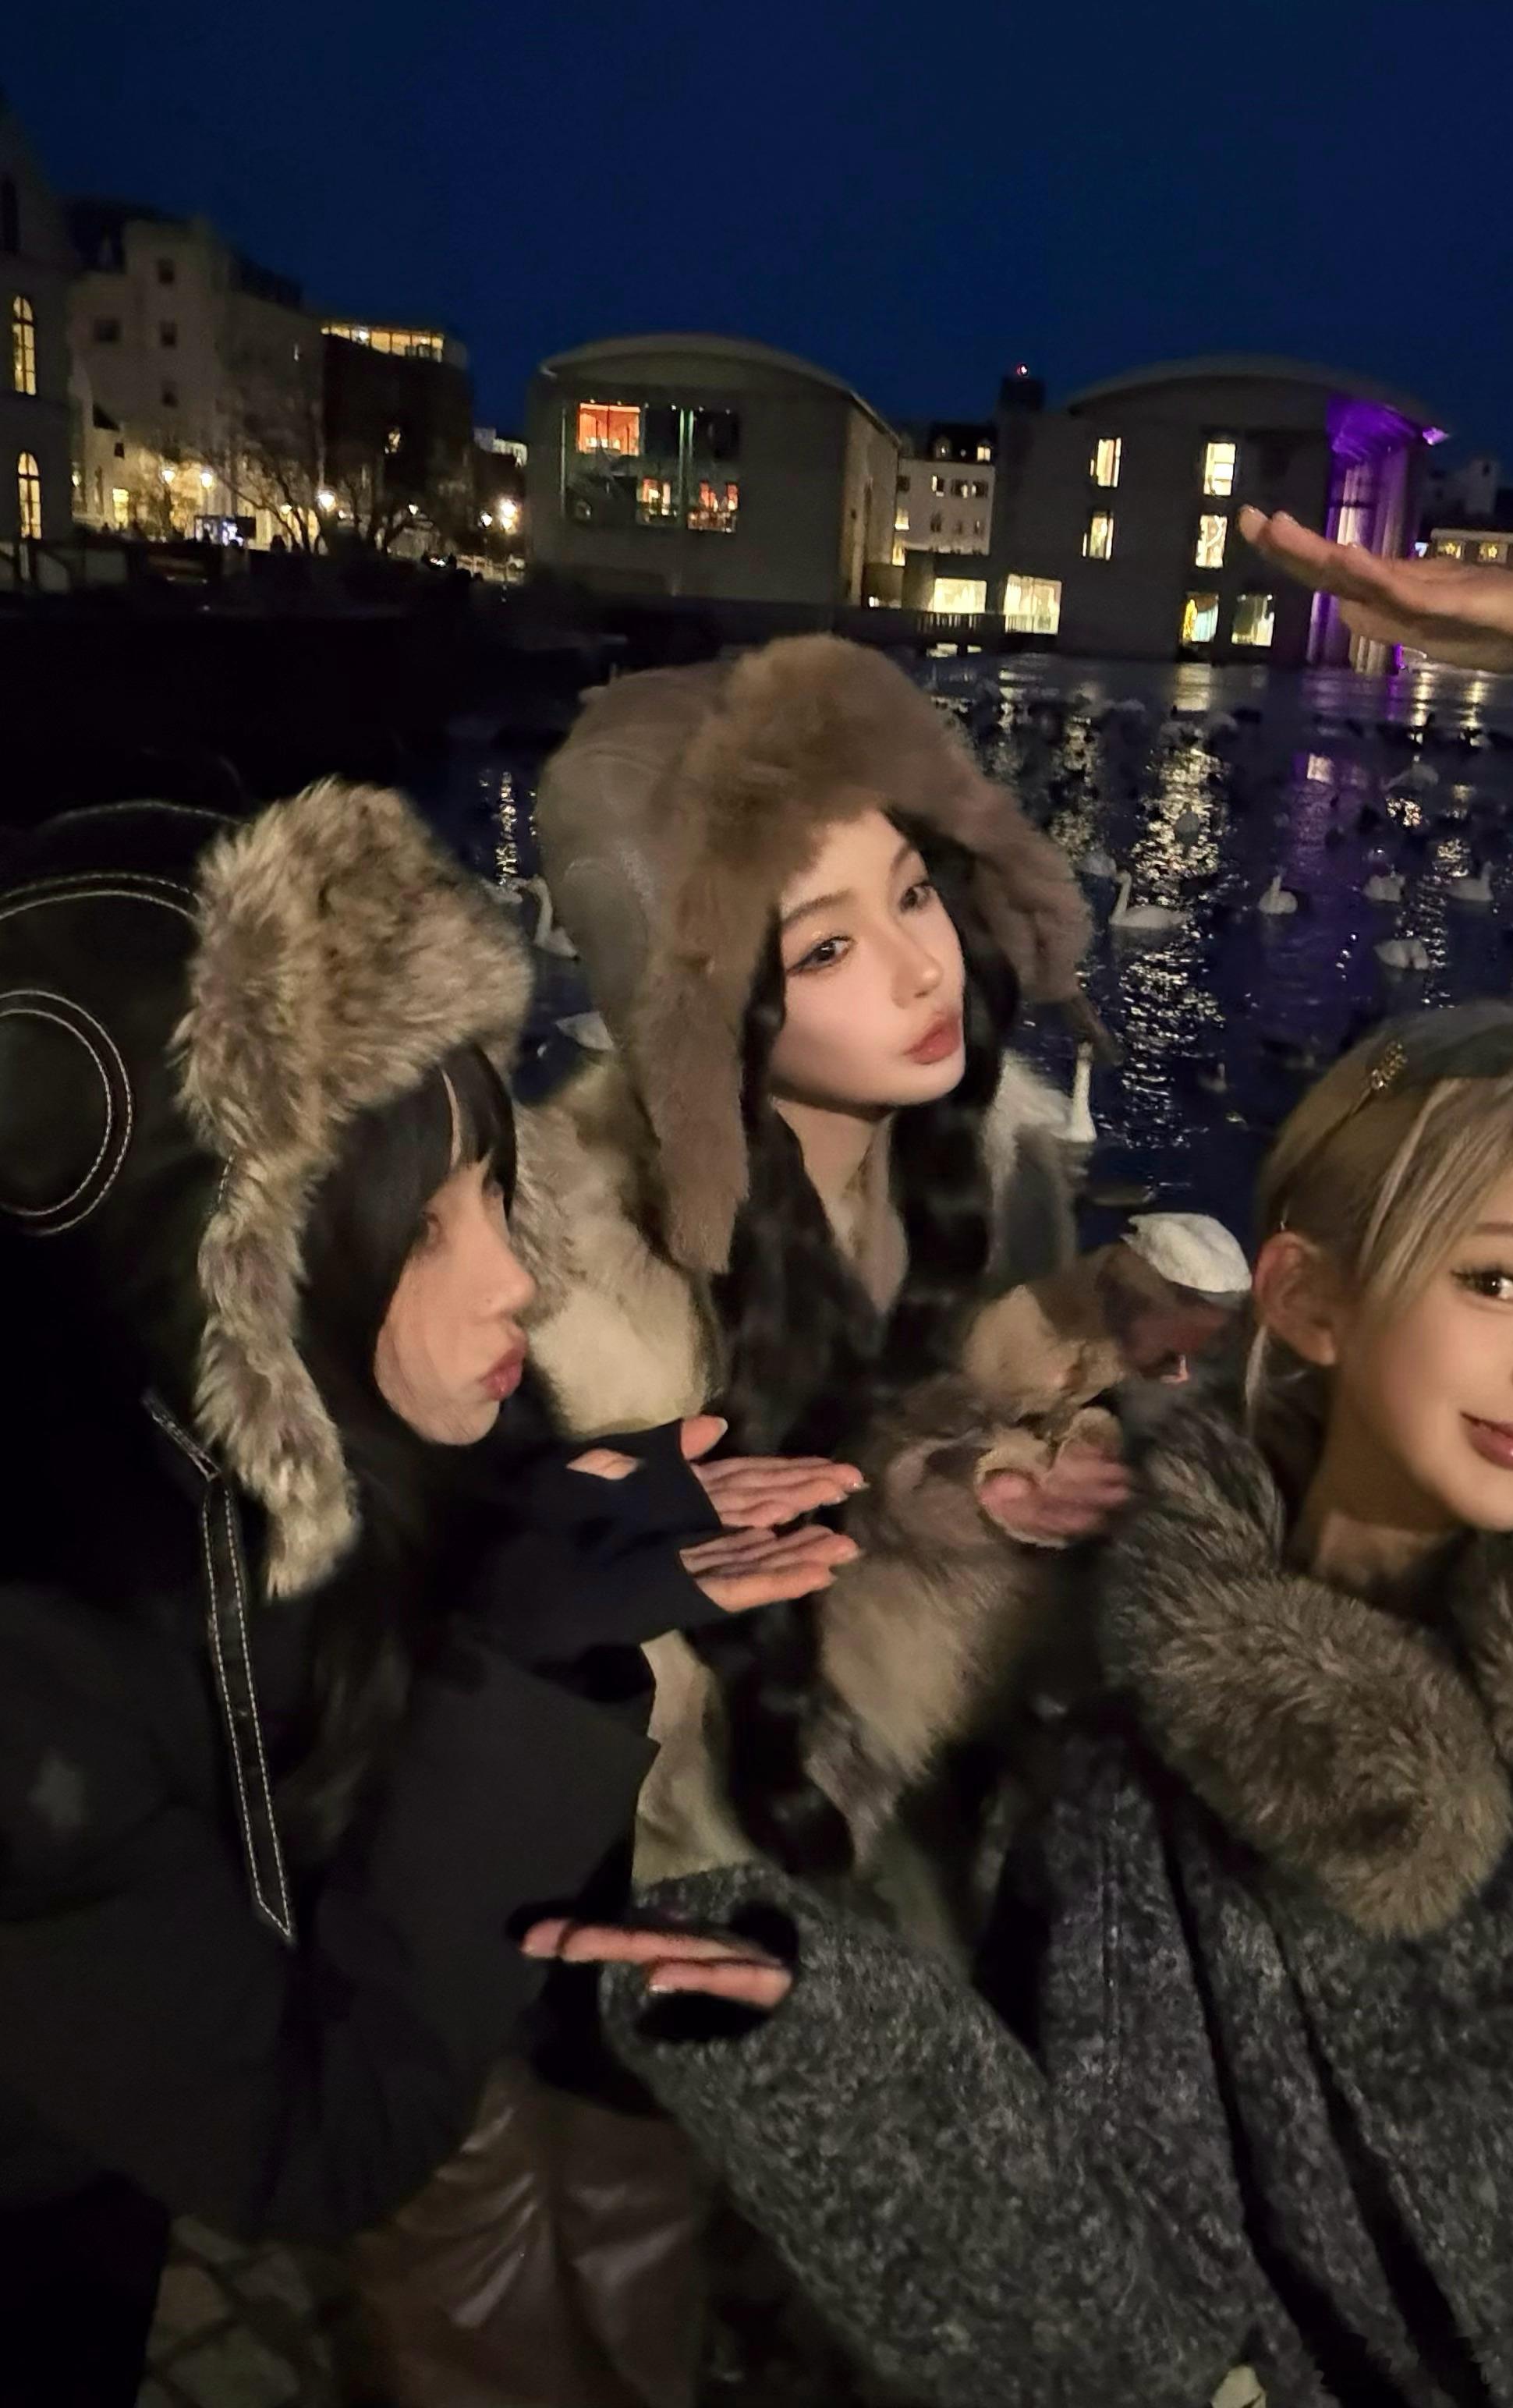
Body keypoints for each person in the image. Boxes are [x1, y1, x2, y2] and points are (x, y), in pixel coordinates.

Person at [533, 527, 1513, 2407]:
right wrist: (830, 2035)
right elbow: (1128, 2289)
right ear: (1309, 1296)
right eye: (1495, 1278)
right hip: (747, 1863)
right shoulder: (1155, 1781)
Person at [359, 634, 1242, 2404]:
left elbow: (903, 1440)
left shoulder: (982, 1158)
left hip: (843, 1832)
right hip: (604, 1855)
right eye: (824, 944)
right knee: (572, 2260)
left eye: (913, 892)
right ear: (705, 1007)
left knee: (711, 2239)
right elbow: (497, 1601)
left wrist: (1027, 1437)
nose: (921, 967)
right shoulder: (559, 1263)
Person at [0, 777, 859, 2405]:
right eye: (424, 1223)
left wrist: (519, 1550)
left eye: (493, 1191)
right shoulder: (35, 1664)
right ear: (221, 1279)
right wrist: (513, 1656)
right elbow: (314, 2141)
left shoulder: (269, 1475)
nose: (517, 1278)